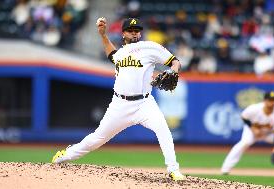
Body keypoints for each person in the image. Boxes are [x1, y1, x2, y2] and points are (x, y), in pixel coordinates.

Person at [52, 17, 185, 181]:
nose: (135, 33)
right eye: (131, 30)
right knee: (97, 139)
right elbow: (112, 54)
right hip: (120, 105)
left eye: (137, 31)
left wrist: (174, 71)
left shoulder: (150, 47)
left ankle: (174, 170)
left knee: (164, 130)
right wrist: (103, 36)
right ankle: (65, 155)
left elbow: (175, 61)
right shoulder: (121, 53)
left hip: (144, 103)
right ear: (123, 33)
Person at [221, 91, 274, 175]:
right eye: (270, 100)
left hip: (268, 134)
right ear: (264, 101)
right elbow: (243, 117)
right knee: (245, 142)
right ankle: (225, 169)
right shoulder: (254, 109)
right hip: (252, 131)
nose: (272, 103)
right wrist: (252, 128)